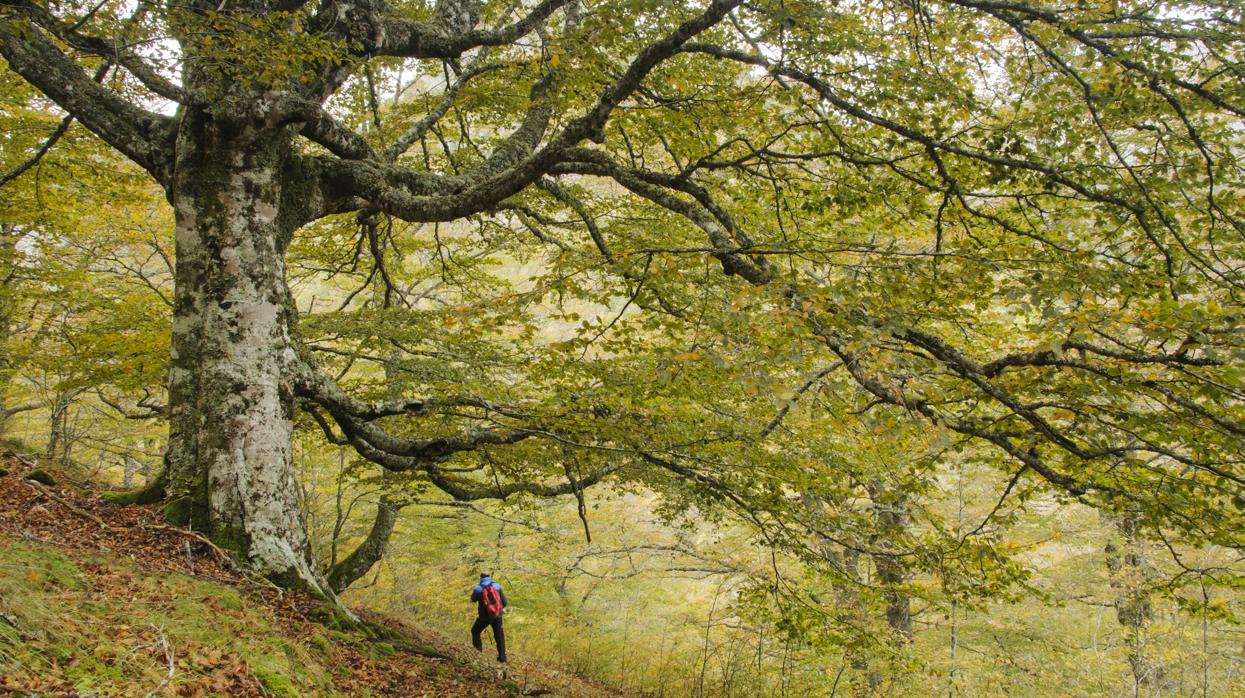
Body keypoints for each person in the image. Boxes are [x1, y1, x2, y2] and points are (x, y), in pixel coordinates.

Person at [470, 572, 508, 663]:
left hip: (484, 617)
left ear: (481, 578)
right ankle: (502, 658)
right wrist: (497, 609)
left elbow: (473, 599)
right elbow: (505, 602)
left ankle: (478, 652)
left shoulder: (478, 589)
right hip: (497, 616)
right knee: (499, 635)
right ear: (489, 577)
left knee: (475, 631)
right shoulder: (497, 586)